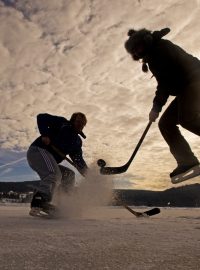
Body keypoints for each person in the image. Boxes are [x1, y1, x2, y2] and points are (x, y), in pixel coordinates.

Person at [124, 27, 200, 179]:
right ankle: (187, 161)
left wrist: (156, 108)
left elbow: (164, 84)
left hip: (196, 82)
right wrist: (157, 108)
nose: (138, 52)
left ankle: (187, 160)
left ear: (145, 41)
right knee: (165, 124)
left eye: (138, 47)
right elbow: (164, 84)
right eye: (135, 51)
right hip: (186, 89)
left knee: (186, 118)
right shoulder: (152, 56)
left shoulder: (160, 49)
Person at [27, 112, 88, 216]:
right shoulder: (62, 124)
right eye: (78, 121)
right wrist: (45, 134)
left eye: (83, 124)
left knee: (69, 175)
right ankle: (39, 201)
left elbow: (79, 161)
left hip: (49, 160)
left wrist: (90, 175)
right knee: (54, 174)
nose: (80, 125)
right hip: (38, 151)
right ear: (72, 121)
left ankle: (64, 205)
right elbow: (41, 117)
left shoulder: (77, 142)